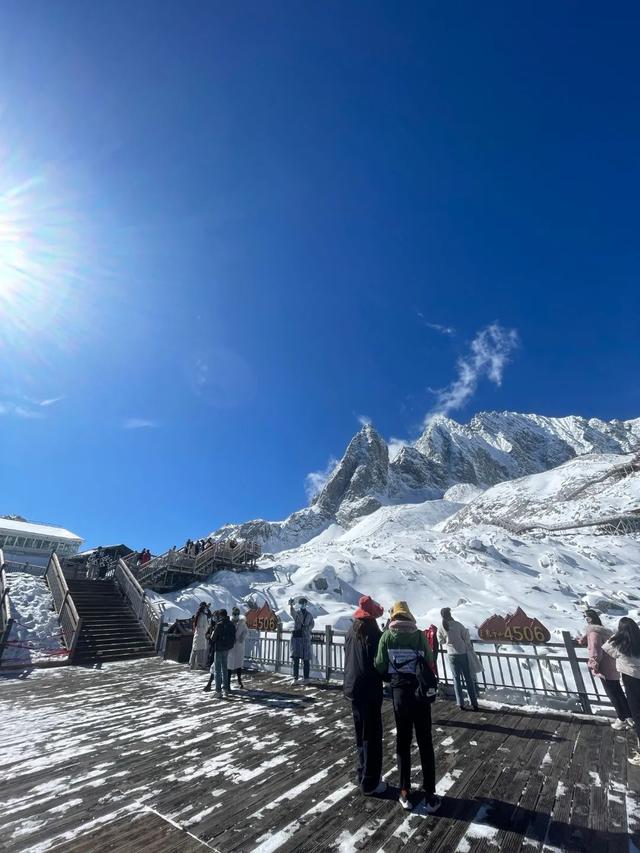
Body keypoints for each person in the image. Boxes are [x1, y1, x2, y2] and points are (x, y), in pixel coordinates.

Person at [375, 601, 440, 813]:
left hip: (400, 695)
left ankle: (404, 791)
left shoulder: (387, 636)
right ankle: (430, 792)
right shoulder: (419, 635)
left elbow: (380, 665)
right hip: (420, 694)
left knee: (403, 742)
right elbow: (429, 659)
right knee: (425, 742)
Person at [344, 595, 386, 796]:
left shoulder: (351, 630)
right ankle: (370, 783)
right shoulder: (373, 633)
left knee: (360, 734)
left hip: (352, 689)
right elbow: (379, 664)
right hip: (369, 689)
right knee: (372, 736)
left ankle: (361, 774)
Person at [577, 609, 632, 730]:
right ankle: (629, 716)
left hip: (605, 669)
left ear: (589, 620)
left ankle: (622, 719)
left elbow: (595, 651)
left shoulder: (593, 633)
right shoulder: (601, 631)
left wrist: (593, 665)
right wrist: (583, 639)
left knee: (613, 694)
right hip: (613, 665)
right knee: (618, 692)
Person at [604, 618, 640, 766]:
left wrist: (616, 635)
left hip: (630, 679)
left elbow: (606, 649)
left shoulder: (618, 642)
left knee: (637, 714)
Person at [439, 607, 479, 711]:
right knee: (468, 678)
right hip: (462, 653)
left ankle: (460, 703)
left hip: (451, 654)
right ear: (450, 614)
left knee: (456, 679)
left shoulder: (441, 627)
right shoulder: (458, 625)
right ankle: (474, 702)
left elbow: (441, 641)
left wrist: (448, 642)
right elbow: (466, 637)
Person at [204, 609, 236, 698]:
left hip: (219, 649)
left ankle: (218, 691)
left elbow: (212, 639)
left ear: (221, 616)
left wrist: (208, 636)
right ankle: (226, 688)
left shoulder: (219, 625)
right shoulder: (231, 624)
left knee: (217, 670)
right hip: (227, 648)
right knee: (225, 668)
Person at [289, 597, 314, 683]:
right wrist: (291, 605)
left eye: (304, 603)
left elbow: (312, 624)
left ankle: (306, 678)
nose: (303, 605)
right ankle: (295, 678)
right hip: (297, 640)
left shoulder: (309, 615)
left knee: (306, 660)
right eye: (301, 603)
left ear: (306, 604)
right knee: (296, 659)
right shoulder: (297, 614)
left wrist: (307, 628)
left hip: (306, 639)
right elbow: (292, 613)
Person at [227, 606, 248, 690]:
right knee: (229, 665)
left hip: (239, 646)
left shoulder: (242, 623)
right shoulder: (229, 622)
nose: (235, 615)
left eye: (237, 614)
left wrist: (241, 639)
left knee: (239, 665)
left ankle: (239, 681)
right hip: (231, 647)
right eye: (234, 614)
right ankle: (227, 683)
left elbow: (246, 632)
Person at [189, 602, 211, 670]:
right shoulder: (204, 616)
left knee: (194, 649)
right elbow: (206, 626)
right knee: (201, 650)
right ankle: (199, 664)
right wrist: (208, 626)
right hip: (202, 634)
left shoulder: (197, 615)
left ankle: (192, 664)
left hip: (197, 633)